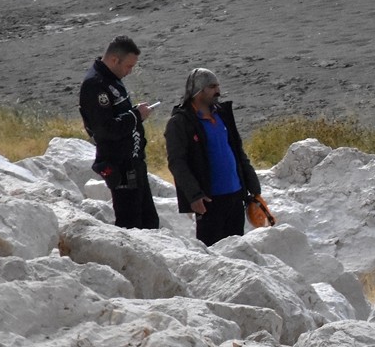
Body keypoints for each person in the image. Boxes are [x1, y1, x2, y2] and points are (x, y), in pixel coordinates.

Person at [164, 68, 262, 247]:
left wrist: (252, 184)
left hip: (235, 196)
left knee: (237, 249)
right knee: (213, 252)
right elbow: (177, 162)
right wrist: (194, 195)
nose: (218, 91)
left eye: (218, 85)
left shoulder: (223, 115)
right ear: (198, 92)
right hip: (210, 201)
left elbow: (237, 151)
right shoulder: (180, 123)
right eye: (212, 87)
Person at [78, 35, 159, 229]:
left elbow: (120, 114)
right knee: (131, 224)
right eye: (128, 66)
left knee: (150, 222)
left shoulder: (113, 80)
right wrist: (135, 116)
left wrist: (135, 113)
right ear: (115, 59)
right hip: (119, 167)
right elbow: (105, 129)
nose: (130, 71)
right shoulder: (95, 85)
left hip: (134, 162)